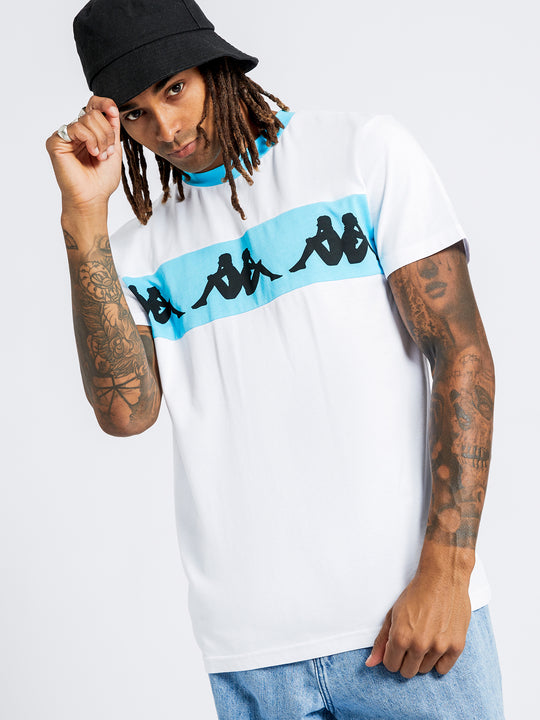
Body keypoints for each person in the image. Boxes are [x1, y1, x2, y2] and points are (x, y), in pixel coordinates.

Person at [46, 0, 504, 717]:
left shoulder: (360, 155)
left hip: (410, 627)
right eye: (135, 114)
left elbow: (461, 352)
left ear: (216, 66)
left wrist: (448, 572)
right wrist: (84, 221)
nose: (166, 129)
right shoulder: (133, 250)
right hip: (251, 658)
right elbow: (125, 414)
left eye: (174, 89)